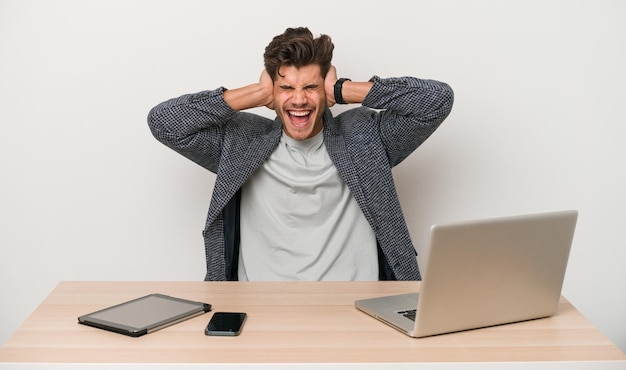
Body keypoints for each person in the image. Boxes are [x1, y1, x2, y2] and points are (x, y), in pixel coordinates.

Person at [147, 27, 453, 282]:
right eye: (285, 88)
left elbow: (437, 100)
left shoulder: (364, 136)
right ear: (272, 91)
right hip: (260, 311)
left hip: (359, 309)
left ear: (325, 90)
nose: (299, 100)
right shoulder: (242, 141)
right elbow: (164, 123)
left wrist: (345, 89)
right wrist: (255, 93)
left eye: (310, 87)